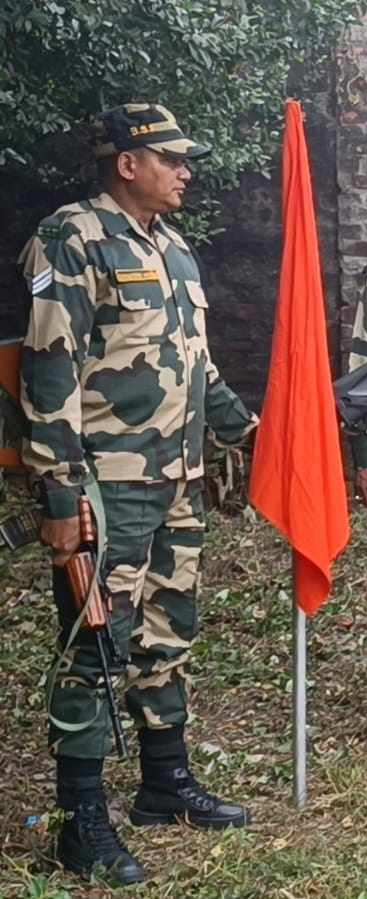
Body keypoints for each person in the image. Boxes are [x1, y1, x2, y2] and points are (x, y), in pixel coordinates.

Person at [20, 103, 258, 885]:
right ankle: (78, 820)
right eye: (172, 158)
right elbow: (48, 375)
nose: (185, 171)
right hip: (106, 486)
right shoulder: (73, 237)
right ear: (128, 162)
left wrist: (257, 430)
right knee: (94, 645)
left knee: (168, 633)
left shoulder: (176, 250)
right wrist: (58, 495)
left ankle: (164, 781)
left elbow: (199, 370)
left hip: (178, 480)